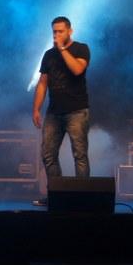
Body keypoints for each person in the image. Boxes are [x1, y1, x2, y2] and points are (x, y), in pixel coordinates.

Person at [32, 16, 91, 202]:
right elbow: (43, 83)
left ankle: (82, 198)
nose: (56, 35)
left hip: (77, 111)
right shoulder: (49, 55)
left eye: (60, 31)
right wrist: (36, 109)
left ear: (70, 31)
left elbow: (77, 69)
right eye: (54, 32)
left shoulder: (81, 48)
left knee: (79, 155)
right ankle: (58, 196)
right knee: (48, 155)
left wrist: (63, 49)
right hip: (54, 112)